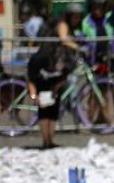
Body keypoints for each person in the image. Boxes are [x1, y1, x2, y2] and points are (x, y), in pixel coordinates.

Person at [27, 17, 76, 149]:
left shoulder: (60, 57)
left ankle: (48, 141)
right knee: (46, 113)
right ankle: (47, 141)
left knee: (51, 113)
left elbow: (65, 75)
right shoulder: (40, 59)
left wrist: (56, 88)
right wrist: (33, 96)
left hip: (54, 85)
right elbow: (31, 80)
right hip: (43, 85)